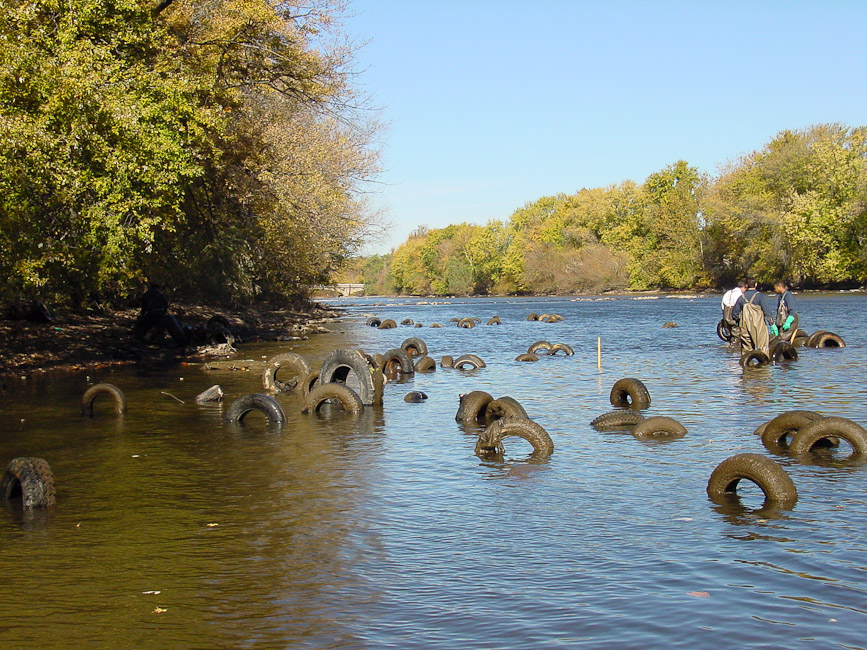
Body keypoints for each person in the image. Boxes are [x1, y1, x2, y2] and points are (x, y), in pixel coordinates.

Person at [731, 278, 775, 354]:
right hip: (758, 325)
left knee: (746, 350)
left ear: (747, 285)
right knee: (763, 348)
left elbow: (735, 313)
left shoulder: (741, 297)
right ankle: (763, 364)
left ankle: (747, 365)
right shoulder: (760, 296)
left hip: (744, 326)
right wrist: (772, 324)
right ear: (756, 284)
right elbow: (767, 312)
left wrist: (739, 322)